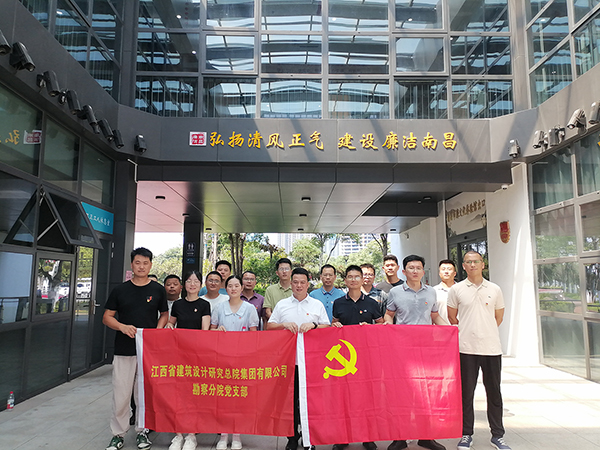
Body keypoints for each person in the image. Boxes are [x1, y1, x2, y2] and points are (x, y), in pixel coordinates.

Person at [103, 248, 168, 450]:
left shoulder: (157, 289)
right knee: (121, 393)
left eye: (145, 263)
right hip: (124, 349)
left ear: (150, 265)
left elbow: (164, 314)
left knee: (144, 394)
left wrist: (156, 332)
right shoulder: (120, 290)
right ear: (132, 265)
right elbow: (107, 317)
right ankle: (118, 434)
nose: (141, 266)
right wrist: (122, 327)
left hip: (148, 351)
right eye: (138, 263)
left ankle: (142, 432)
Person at [447, 251, 511, 450]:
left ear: (483, 264)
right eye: (468, 262)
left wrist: (484, 330)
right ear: (463, 266)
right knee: (466, 394)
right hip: (466, 348)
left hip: (491, 348)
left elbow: (498, 317)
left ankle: (497, 435)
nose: (472, 265)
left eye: (476, 261)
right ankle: (466, 434)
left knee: (494, 393)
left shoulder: (494, 289)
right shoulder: (456, 289)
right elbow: (452, 317)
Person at [384, 255, 447, 450]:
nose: (415, 271)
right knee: (401, 393)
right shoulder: (395, 292)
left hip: (426, 349)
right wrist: (388, 325)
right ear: (404, 271)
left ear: (423, 271)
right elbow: (389, 314)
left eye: (418, 268)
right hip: (402, 350)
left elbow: (435, 316)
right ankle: (400, 437)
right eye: (411, 268)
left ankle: (426, 436)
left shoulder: (431, 292)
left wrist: (450, 330)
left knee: (426, 392)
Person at [267, 267, 330, 450]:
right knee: (290, 402)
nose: (299, 285)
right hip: (288, 362)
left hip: (311, 363)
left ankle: (310, 439)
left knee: (310, 402)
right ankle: (293, 437)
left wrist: (314, 325)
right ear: (291, 283)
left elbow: (327, 327)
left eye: (303, 282)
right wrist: (283, 325)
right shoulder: (282, 305)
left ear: (308, 284)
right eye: (295, 282)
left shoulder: (316, 305)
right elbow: (270, 326)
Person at [331, 265, 383, 450]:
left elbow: (381, 325)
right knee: (343, 398)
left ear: (362, 279)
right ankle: (342, 437)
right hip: (344, 359)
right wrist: (334, 326)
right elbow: (333, 325)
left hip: (365, 358)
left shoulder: (372, 303)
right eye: (350, 277)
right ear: (345, 280)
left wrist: (370, 328)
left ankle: (368, 437)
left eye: (357, 277)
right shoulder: (338, 303)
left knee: (366, 398)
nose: (353, 280)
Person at [211, 275, 260, 450]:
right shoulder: (219, 307)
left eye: (236, 285)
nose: (233, 289)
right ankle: (224, 435)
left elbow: (254, 335)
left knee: (239, 398)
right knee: (223, 397)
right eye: (230, 286)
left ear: (241, 288)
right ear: (226, 288)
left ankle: (237, 435)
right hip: (222, 359)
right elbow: (211, 330)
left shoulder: (250, 308)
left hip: (242, 359)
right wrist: (217, 331)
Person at [165, 271, 211, 450]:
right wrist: (169, 326)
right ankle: (178, 435)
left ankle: (191, 435)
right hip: (179, 355)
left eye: (196, 281)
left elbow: (205, 331)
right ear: (184, 284)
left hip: (197, 356)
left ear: (200, 285)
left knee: (194, 395)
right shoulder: (178, 304)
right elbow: (172, 322)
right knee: (178, 394)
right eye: (189, 281)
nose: (192, 284)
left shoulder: (204, 305)